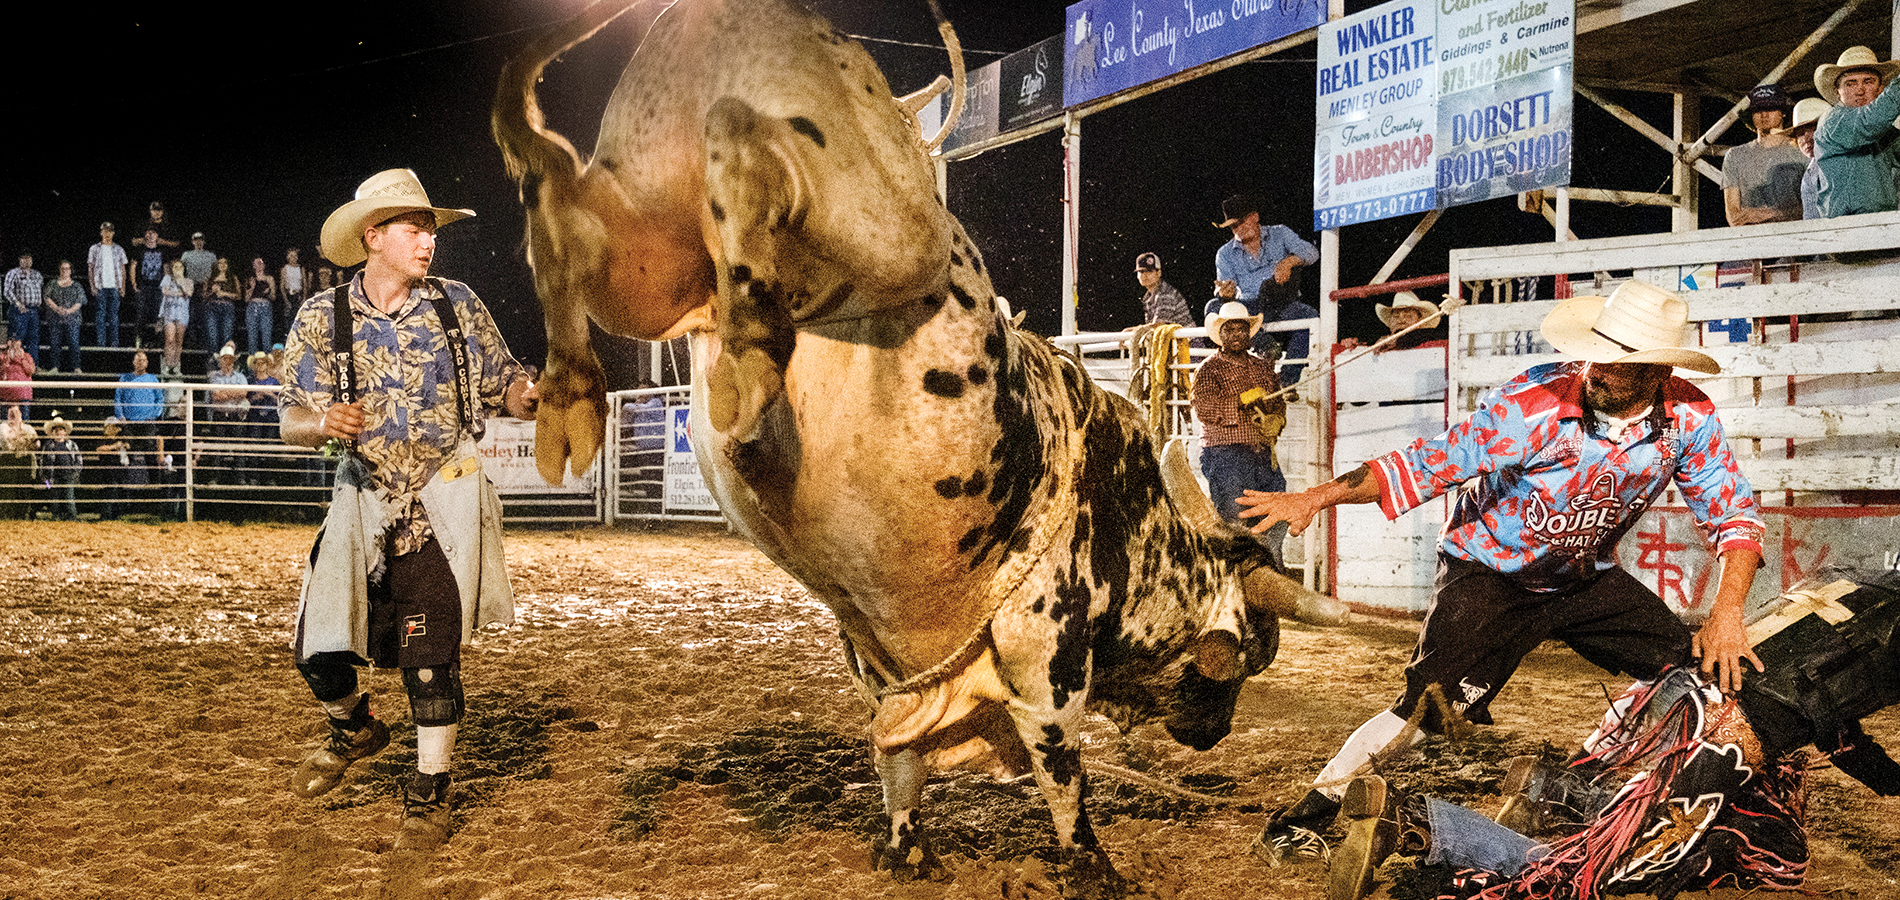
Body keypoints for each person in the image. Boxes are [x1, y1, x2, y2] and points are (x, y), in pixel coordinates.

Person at [1242, 281, 1766, 860]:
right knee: (1427, 711)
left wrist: (1727, 615)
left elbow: (1734, 515)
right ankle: (1307, 815)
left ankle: (1579, 787)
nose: (1598, 368)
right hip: (1490, 573)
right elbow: (1425, 463)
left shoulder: (1690, 416)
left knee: (1693, 674)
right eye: (1600, 350)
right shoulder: (1534, 403)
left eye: (1621, 362)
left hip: (1582, 576)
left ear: (1657, 373)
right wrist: (1316, 497)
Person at [1328, 569, 1900, 900]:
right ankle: (1419, 828)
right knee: (1610, 872)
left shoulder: (1855, 580)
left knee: (1770, 847)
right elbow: (1836, 726)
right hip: (1714, 734)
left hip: (1663, 688)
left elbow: (1827, 704)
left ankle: (1556, 790)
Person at [282, 168, 537, 851]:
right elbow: (289, 417)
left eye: (430, 229)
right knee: (315, 651)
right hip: (361, 496)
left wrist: (529, 399)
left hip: (440, 498)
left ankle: (430, 790)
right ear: (375, 237)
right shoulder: (322, 318)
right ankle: (355, 726)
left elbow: (503, 382)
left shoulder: (457, 305)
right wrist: (321, 424)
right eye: (414, 229)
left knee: (431, 657)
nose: (428, 242)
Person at [1191, 301, 1287, 524]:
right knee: (1236, 521)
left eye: (1241, 329)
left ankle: (1271, 559)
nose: (1236, 335)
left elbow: (1278, 401)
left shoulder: (1262, 368)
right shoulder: (1208, 369)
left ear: (1249, 333)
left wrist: (1278, 419)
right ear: (1220, 334)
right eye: (1230, 329)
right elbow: (1204, 409)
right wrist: (1240, 402)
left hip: (1262, 455)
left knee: (1274, 517)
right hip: (1224, 456)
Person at [1812, 46, 1900, 218]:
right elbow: (1869, 121)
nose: (1860, 91)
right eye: (1850, 83)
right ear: (1838, 92)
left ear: (1880, 89)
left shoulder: (1884, 132)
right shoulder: (1834, 122)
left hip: (1880, 227)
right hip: (1847, 229)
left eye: (1868, 81)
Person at [1721, 84, 1808, 226]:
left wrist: (1768, 214)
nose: (1764, 115)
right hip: (1751, 240)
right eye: (1758, 110)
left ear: (1783, 112)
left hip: (1795, 236)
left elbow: (1814, 205)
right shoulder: (1735, 156)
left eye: (1770, 108)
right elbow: (1733, 216)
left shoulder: (1802, 150)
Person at [114, 350, 164, 508]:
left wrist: (155, 415)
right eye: (138, 359)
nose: (141, 362)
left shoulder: (153, 379)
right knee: (127, 454)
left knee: (150, 451)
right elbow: (118, 398)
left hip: (147, 421)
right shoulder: (124, 378)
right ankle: (126, 486)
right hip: (129, 421)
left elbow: (159, 399)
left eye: (143, 360)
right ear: (133, 362)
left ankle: (155, 484)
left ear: (147, 362)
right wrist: (120, 416)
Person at [205, 343, 249, 484]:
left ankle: (240, 477)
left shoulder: (240, 376)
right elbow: (216, 396)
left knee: (239, 448)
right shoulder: (214, 376)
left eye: (230, 359)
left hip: (235, 414)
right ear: (220, 361)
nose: (228, 362)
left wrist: (226, 392)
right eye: (225, 359)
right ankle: (215, 477)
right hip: (220, 414)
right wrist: (234, 393)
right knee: (217, 448)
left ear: (233, 360)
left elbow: (243, 393)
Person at [87, 222, 131, 348]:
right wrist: (92, 286)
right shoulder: (94, 249)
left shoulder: (119, 249)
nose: (107, 234)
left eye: (110, 231)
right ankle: (101, 342)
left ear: (113, 233)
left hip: (114, 286)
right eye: (105, 231)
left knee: (114, 315)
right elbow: (91, 268)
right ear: (101, 232)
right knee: (100, 315)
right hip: (100, 286)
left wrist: (123, 286)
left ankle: (114, 342)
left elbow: (123, 268)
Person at [1787, 97, 1829, 220]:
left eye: (1812, 128)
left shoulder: (1845, 161)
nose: (1806, 138)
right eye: (1799, 133)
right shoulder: (1809, 174)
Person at [42, 262, 86, 374]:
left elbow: (80, 301)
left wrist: (68, 311)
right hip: (55, 319)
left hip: (72, 319)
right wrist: (57, 309)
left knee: (74, 343)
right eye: (62, 269)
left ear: (71, 270)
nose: (65, 271)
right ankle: (55, 367)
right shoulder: (52, 284)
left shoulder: (76, 285)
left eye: (67, 269)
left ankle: (76, 367)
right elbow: (47, 298)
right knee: (55, 343)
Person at [37, 414, 82, 521]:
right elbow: (42, 463)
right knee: (54, 500)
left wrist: (75, 473)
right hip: (53, 477)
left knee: (69, 498)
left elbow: (79, 459)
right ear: (52, 432)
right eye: (55, 429)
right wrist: (46, 482)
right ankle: (56, 518)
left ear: (65, 432)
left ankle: (71, 518)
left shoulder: (72, 445)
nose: (58, 431)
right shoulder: (48, 446)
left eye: (61, 429)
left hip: (68, 476)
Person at [1133, 252, 1193, 327]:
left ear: (1159, 273)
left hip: (1187, 337)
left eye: (1150, 271)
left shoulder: (1166, 293)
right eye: (1141, 272)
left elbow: (1158, 324)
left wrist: (1132, 331)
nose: (1144, 275)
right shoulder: (1148, 297)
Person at [5, 251, 42, 368]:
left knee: (33, 340)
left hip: (34, 310)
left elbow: (39, 289)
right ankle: (15, 367)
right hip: (20, 311)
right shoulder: (14, 273)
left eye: (29, 258)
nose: (27, 260)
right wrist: (18, 304)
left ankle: (32, 366)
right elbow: (7, 291)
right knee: (17, 339)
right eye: (24, 258)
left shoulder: (37, 274)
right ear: (19, 259)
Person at [158, 259, 193, 376]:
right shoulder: (167, 278)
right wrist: (180, 294)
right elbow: (165, 292)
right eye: (175, 267)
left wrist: (181, 282)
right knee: (170, 340)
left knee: (179, 341)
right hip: (170, 311)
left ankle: (176, 366)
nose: (177, 269)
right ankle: (167, 365)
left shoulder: (188, 281)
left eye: (180, 267)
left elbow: (189, 293)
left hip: (182, 313)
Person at [131, 228, 167, 340]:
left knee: (159, 313)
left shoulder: (162, 251)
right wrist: (133, 283)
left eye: (153, 233)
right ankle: (139, 339)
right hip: (144, 284)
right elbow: (133, 266)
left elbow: (166, 268)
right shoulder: (139, 250)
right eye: (149, 233)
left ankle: (158, 339)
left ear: (157, 236)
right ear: (145, 235)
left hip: (158, 286)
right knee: (141, 312)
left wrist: (165, 284)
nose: (151, 235)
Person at [0, 404, 35, 519]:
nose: (13, 415)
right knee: (7, 489)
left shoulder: (27, 428)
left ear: (20, 414)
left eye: (16, 413)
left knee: (23, 489)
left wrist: (18, 434)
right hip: (7, 460)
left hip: (24, 460)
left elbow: (35, 443)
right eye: (11, 413)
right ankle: (5, 516)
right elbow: (7, 441)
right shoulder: (3, 427)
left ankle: (22, 516)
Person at [204, 257, 240, 357]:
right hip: (212, 307)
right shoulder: (210, 278)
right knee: (212, 335)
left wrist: (224, 293)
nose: (223, 265)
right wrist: (212, 291)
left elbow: (238, 296)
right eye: (220, 263)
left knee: (227, 335)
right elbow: (204, 296)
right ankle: (213, 360)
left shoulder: (233, 278)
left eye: (225, 263)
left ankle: (227, 359)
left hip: (227, 307)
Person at [246, 256, 276, 355]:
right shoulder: (251, 279)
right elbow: (246, 298)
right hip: (252, 306)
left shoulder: (269, 278)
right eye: (257, 263)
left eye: (261, 263)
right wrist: (252, 287)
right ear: (253, 266)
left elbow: (274, 297)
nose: (259, 265)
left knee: (266, 340)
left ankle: (268, 367)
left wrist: (270, 289)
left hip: (265, 307)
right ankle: (252, 368)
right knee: (252, 339)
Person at [0, 337, 33, 418]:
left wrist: (21, 359)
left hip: (23, 394)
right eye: (12, 341)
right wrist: (6, 360)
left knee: (24, 420)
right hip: (5, 394)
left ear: (20, 343)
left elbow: (30, 370)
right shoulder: (2, 357)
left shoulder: (26, 356)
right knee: (5, 422)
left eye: (16, 341)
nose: (14, 344)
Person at [278, 248, 306, 345]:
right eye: (291, 256)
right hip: (289, 294)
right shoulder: (285, 268)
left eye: (295, 256)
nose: (293, 258)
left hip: (298, 295)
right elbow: (282, 285)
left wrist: (304, 297)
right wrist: (285, 300)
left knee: (300, 321)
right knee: (288, 320)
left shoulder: (301, 268)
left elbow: (304, 284)